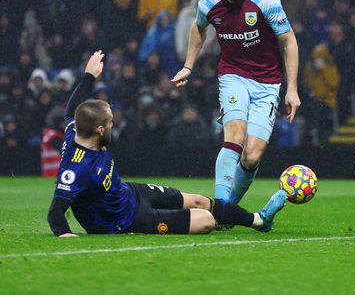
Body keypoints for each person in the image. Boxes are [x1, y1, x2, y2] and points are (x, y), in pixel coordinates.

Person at [48, 51, 287, 237]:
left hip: (129, 192)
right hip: (125, 221)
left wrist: (89, 76)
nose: (113, 125)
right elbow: (56, 212)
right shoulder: (76, 169)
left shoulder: (76, 130)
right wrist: (65, 234)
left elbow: (73, 108)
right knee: (206, 220)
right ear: (100, 130)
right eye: (110, 123)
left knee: (200, 201)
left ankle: (259, 220)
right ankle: (221, 219)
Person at [172, 0, 300, 205]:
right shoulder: (208, 5)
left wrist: (292, 89)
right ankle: (221, 206)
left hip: (268, 83)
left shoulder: (265, 0)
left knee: (252, 156)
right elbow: (199, 29)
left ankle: (230, 206)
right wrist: (188, 66)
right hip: (233, 76)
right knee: (235, 136)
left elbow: (289, 41)